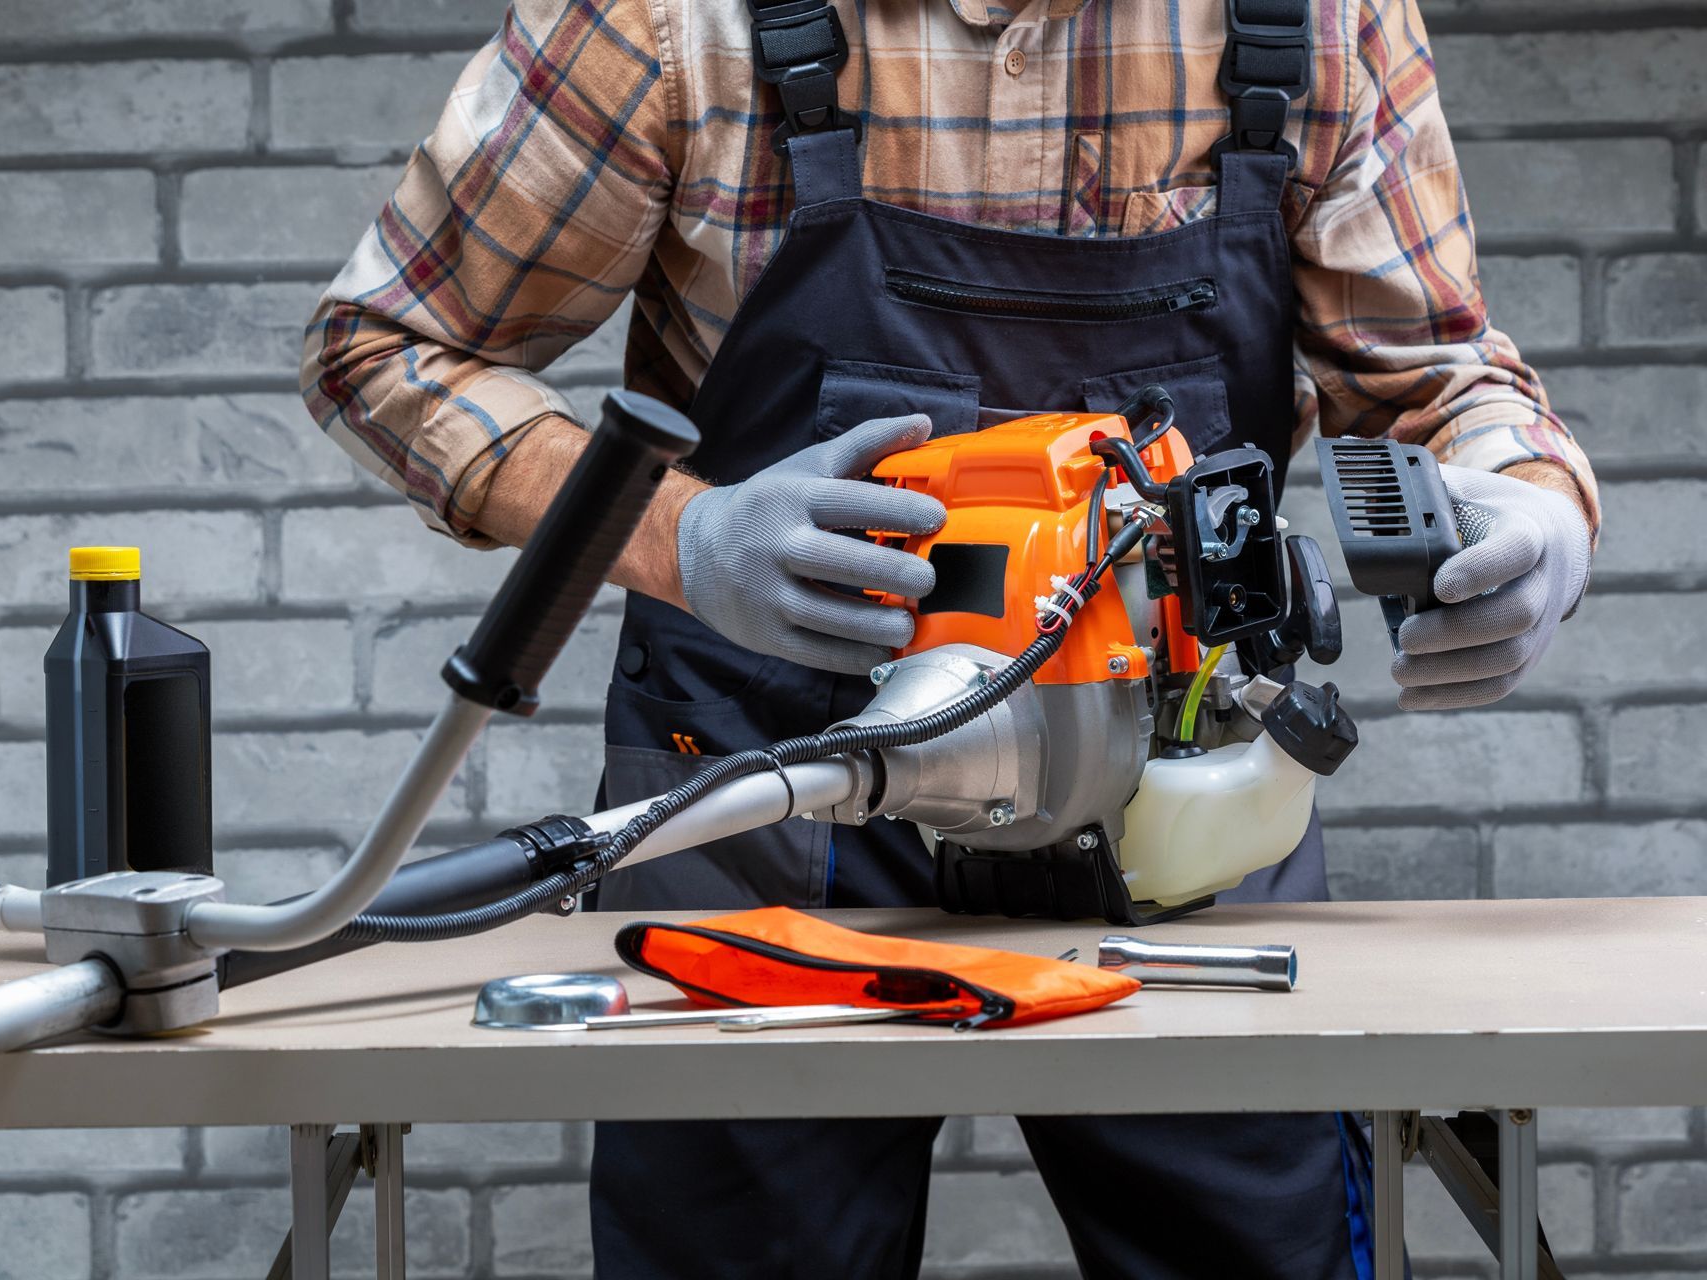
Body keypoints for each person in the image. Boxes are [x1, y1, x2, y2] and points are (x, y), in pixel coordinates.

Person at [301, 0, 1600, 1274]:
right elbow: (387, 347)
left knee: (1261, 1241)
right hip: (769, 809)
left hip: (1177, 808)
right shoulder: (671, 20)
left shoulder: (1314, 20)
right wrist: (679, 538)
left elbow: (1438, 378)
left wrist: (1533, 508)